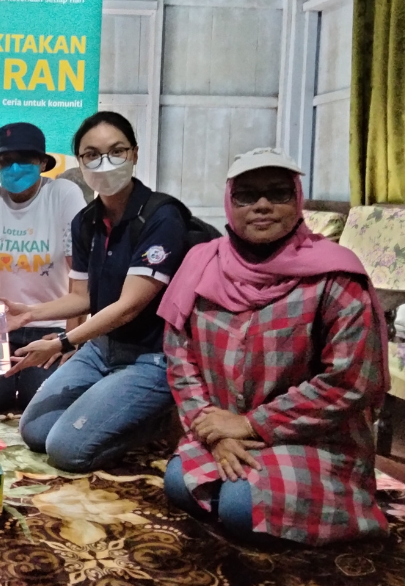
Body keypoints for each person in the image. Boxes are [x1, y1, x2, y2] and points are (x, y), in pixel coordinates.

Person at [159, 148, 389, 545]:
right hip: (223, 427)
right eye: (246, 195)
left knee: (240, 507)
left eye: (278, 193)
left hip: (313, 437)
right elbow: (180, 358)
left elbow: (349, 380)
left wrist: (252, 424)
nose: (262, 205)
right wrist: (215, 430)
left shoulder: (335, 274)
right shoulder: (201, 263)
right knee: (179, 482)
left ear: (297, 199)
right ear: (229, 203)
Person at [6, 111, 188, 471]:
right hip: (101, 349)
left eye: (116, 151)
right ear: (80, 161)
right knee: (35, 430)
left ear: (134, 154)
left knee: (65, 449)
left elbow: (129, 306)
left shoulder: (161, 217)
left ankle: (156, 420)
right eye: (91, 154)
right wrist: (29, 313)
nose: (104, 163)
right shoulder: (86, 221)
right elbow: (83, 297)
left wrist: (62, 342)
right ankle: (116, 410)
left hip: (150, 357)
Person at [0, 123, 86, 413]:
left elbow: (80, 278)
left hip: (50, 327)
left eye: (24, 160)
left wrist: (68, 341)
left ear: (42, 163)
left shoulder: (64, 195)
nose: (14, 168)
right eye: (6, 161)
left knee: (39, 401)